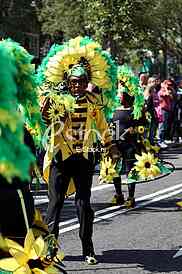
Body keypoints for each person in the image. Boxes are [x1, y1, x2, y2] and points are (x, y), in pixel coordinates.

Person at [38, 36, 119, 265]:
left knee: (84, 204)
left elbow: (102, 127)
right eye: (73, 81)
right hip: (59, 159)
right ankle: (49, 249)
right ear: (67, 81)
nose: (76, 85)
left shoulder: (94, 103)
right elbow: (45, 121)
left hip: (83, 159)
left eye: (81, 81)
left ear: (86, 82)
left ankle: (88, 248)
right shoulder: (57, 100)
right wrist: (46, 114)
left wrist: (111, 146)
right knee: (54, 205)